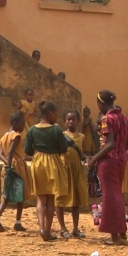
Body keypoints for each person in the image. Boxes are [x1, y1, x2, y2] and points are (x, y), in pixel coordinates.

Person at [24, 101, 75, 242]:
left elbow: (27, 150)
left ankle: (41, 228)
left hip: (38, 162)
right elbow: (63, 149)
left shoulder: (32, 130)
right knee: (51, 198)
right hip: (53, 162)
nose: (57, 117)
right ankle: (47, 229)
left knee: (41, 198)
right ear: (51, 113)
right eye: (56, 114)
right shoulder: (56, 130)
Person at [88, 90, 128, 245]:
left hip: (109, 161)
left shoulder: (107, 119)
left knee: (110, 197)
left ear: (101, 103)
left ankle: (114, 236)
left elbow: (110, 144)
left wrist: (94, 158)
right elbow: (126, 144)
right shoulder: (124, 119)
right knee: (117, 194)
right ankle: (121, 230)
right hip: (121, 160)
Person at [0, 112, 30, 233]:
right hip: (17, 167)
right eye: (22, 124)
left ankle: (5, 218)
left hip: (8, 166)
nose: (23, 126)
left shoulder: (4, 136)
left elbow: (0, 154)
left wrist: (7, 164)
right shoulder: (16, 136)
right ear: (14, 123)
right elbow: (11, 152)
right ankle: (6, 219)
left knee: (8, 193)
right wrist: (11, 164)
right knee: (20, 193)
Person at [57, 110, 88, 239]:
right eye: (68, 119)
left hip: (77, 169)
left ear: (78, 121)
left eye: (73, 119)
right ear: (64, 121)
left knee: (76, 199)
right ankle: (63, 228)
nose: (71, 121)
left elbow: (83, 152)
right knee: (60, 199)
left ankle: (75, 228)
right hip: (64, 168)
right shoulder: (61, 135)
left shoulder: (81, 137)